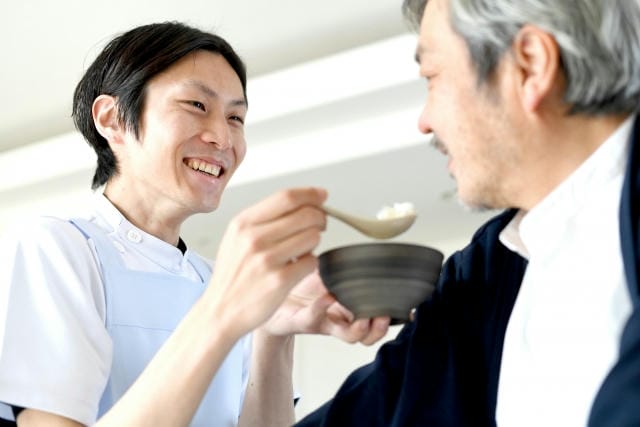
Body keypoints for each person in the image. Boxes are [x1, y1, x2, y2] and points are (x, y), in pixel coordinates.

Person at [0, 22, 391, 427]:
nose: (224, 138)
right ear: (112, 119)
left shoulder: (218, 279)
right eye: (197, 106)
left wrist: (273, 334)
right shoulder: (59, 246)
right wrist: (223, 311)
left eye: (236, 117)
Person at [296, 0, 640, 425]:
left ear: (529, 66)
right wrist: (262, 331)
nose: (424, 121)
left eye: (432, 78)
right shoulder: (482, 277)